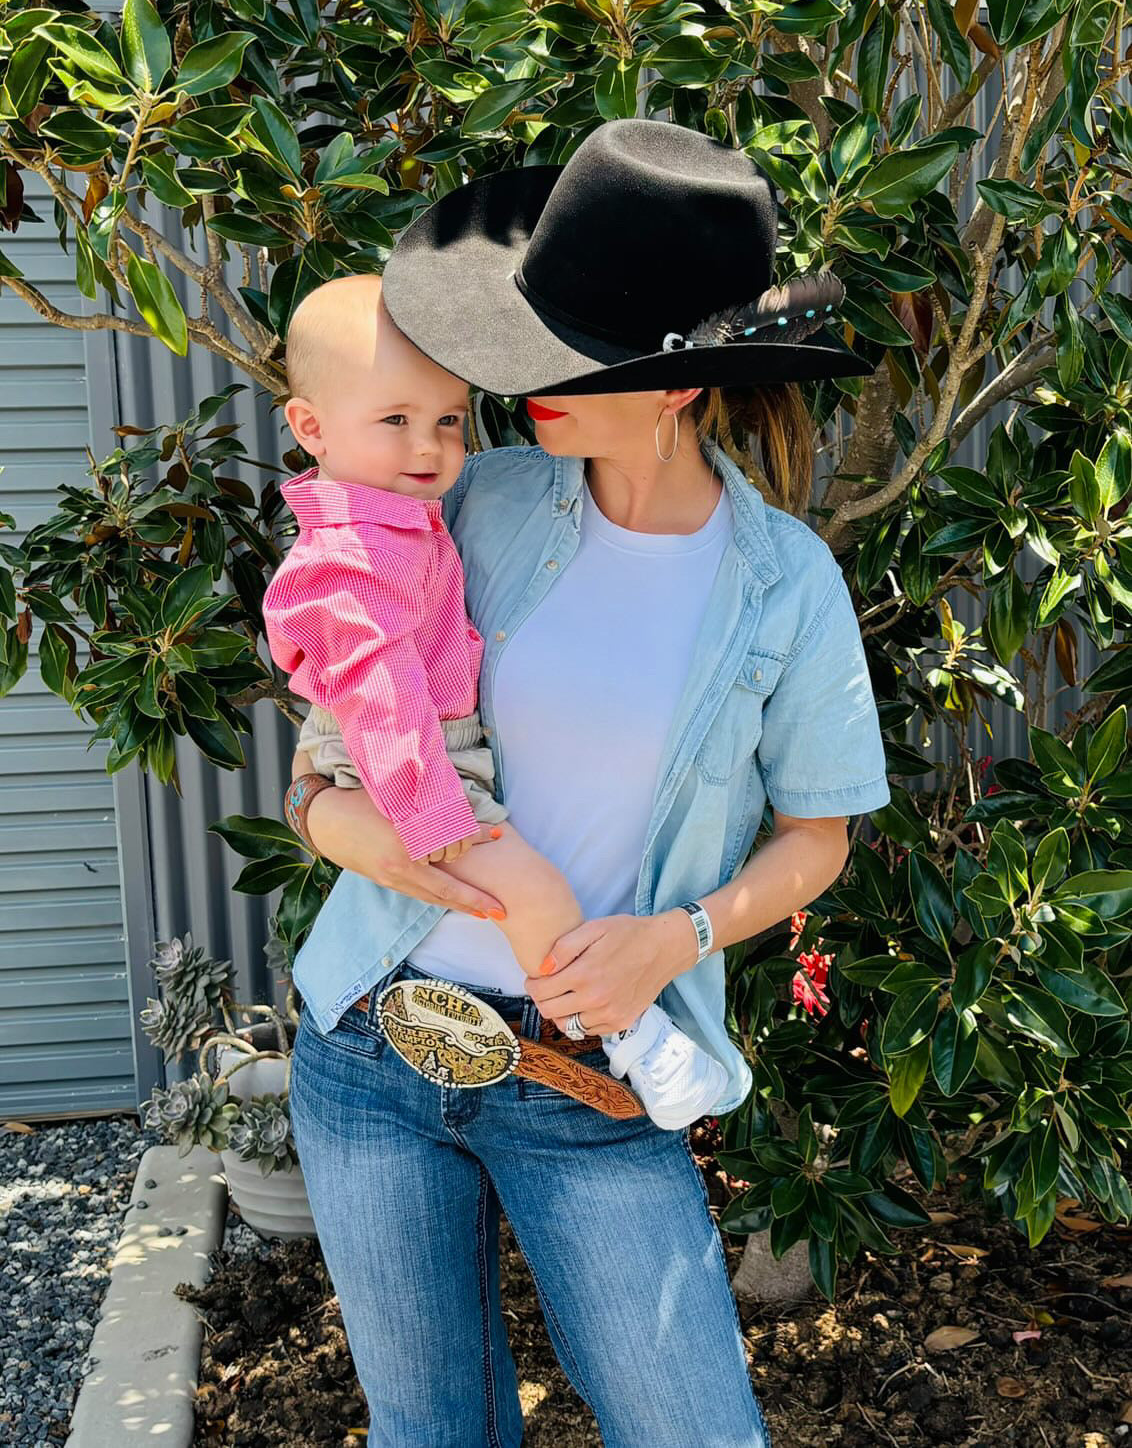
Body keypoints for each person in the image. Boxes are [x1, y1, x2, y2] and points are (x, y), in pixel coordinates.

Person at [282, 118, 891, 1448]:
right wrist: (365, 840)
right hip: (371, 1052)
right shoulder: (473, 500)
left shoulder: (785, 584)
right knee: (431, 1436)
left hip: (595, 1075)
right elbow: (329, 756)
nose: (518, 385)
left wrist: (673, 941)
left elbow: (819, 837)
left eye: (567, 358)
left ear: (677, 382)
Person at [262, 273, 731, 1128]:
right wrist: (434, 817)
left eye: (447, 420)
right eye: (395, 421)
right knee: (532, 893)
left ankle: (626, 1039)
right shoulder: (352, 554)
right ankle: (635, 1042)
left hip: (427, 753)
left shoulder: (401, 513)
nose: (431, 446)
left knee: (527, 893)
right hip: (414, 767)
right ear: (311, 429)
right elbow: (374, 706)